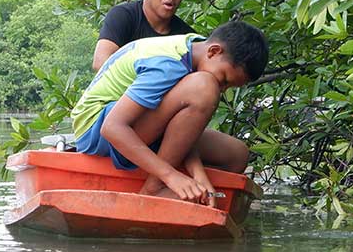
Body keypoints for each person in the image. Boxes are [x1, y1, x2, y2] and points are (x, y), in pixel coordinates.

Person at [72, 21, 268, 204]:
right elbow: (112, 127)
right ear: (214, 51)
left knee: (237, 154)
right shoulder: (168, 64)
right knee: (204, 86)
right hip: (97, 130)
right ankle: (153, 189)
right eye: (224, 80)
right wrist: (170, 176)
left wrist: (198, 174)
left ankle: (191, 190)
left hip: (138, 124)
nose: (222, 89)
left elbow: (183, 126)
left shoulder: (197, 48)